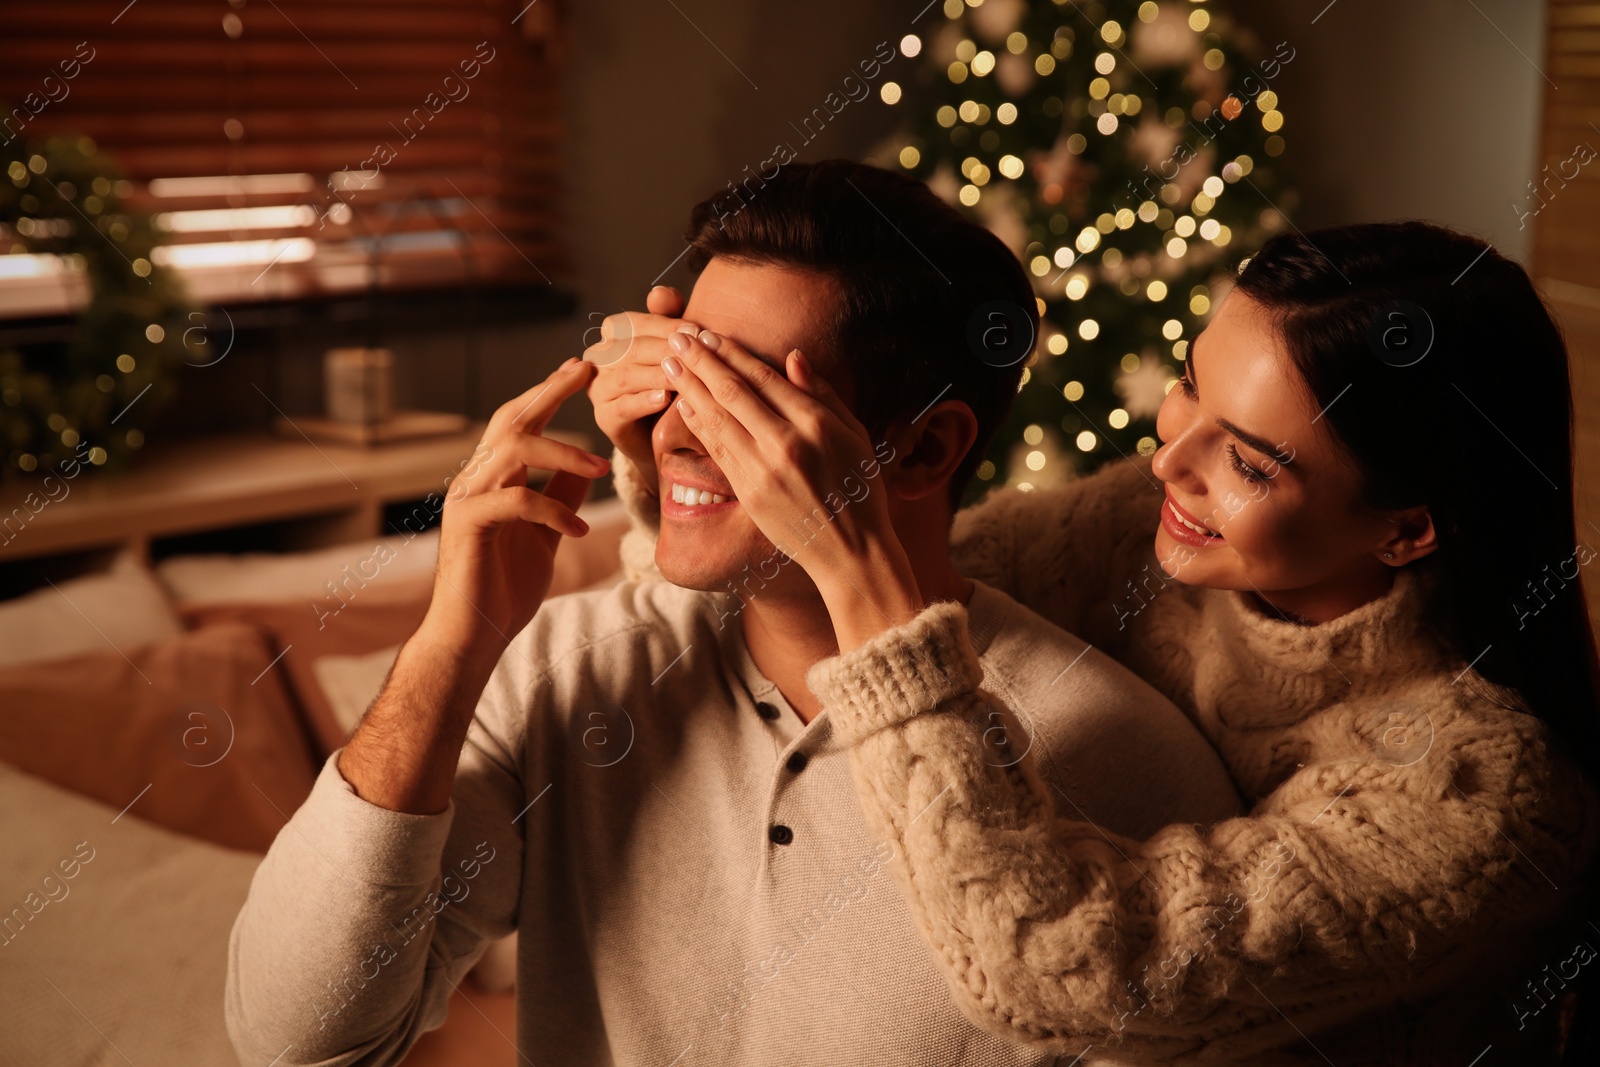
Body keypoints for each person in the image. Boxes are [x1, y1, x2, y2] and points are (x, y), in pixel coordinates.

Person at [223, 159, 1243, 1067]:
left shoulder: (1118, 761)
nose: (674, 433)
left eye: (743, 394)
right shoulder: (573, 667)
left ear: (926, 449)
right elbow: (301, 1038)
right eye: (678, 372)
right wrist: (453, 638)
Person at [603, 220, 1600, 1064]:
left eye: (1249, 462)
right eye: (1187, 385)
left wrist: (857, 565)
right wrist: (679, 471)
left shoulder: (1484, 796)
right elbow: (852, 599)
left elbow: (1063, 966)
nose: (1170, 458)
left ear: (1407, 528)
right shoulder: (1138, 527)